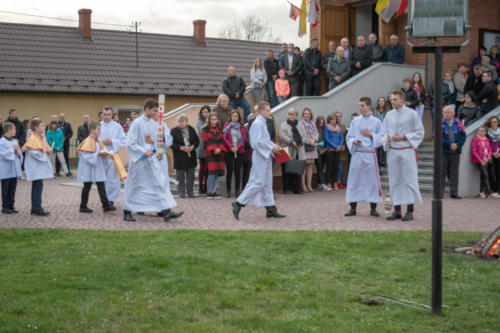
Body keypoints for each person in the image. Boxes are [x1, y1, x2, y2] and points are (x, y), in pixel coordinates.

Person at [123, 99, 183, 222]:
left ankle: (166, 211)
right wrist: (143, 151)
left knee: (158, 184)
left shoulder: (151, 123)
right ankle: (127, 212)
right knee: (135, 186)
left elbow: (152, 140)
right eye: (155, 110)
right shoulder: (137, 123)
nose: (156, 113)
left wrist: (151, 145)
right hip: (139, 160)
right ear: (147, 109)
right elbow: (130, 143)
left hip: (150, 159)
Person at [232, 102, 285, 220]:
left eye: (269, 110)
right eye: (267, 110)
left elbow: (265, 140)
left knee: (267, 183)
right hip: (260, 156)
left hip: (265, 156)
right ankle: (239, 202)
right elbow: (255, 143)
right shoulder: (257, 124)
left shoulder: (263, 123)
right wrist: (271, 148)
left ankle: (271, 209)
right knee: (258, 183)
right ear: (260, 111)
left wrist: (274, 147)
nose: (269, 112)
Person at [381, 90, 424, 221]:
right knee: (394, 180)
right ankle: (397, 210)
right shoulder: (389, 114)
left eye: (394, 99)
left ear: (402, 100)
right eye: (391, 99)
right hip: (393, 151)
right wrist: (386, 138)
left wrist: (405, 137)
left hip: (406, 150)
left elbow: (420, 132)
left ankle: (410, 211)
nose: (392, 101)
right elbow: (383, 131)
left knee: (408, 180)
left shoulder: (412, 114)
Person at [344, 97, 383, 217]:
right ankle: (352, 207)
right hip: (358, 154)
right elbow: (349, 137)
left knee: (372, 182)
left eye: (362, 105)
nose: (360, 108)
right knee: (354, 180)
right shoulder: (355, 122)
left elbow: (381, 138)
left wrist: (371, 134)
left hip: (370, 154)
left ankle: (373, 208)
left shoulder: (376, 122)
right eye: (359, 105)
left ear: (369, 106)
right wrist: (354, 141)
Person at [76, 121, 116, 213]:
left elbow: (101, 152)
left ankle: (106, 205)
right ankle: (83, 206)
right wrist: (98, 154)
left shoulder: (98, 141)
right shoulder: (87, 141)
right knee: (87, 186)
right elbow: (86, 156)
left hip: (97, 167)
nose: (100, 131)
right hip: (89, 168)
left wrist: (104, 154)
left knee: (101, 185)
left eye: (100, 129)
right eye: (98, 129)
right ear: (92, 130)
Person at [22, 119, 53, 216]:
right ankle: (36, 208)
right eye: (41, 126)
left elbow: (43, 149)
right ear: (35, 127)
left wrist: (47, 149)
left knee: (38, 187)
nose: (43, 128)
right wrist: (46, 152)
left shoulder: (39, 138)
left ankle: (36, 207)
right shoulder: (33, 139)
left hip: (38, 168)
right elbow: (35, 153)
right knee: (37, 187)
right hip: (35, 168)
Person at [99, 107, 126, 206]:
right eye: (105, 114)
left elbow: (123, 140)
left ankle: (110, 200)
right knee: (102, 179)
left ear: (112, 115)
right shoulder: (98, 126)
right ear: (102, 115)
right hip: (101, 156)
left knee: (112, 179)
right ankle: (104, 200)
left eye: (109, 114)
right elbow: (93, 140)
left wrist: (112, 141)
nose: (106, 117)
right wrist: (101, 145)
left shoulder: (117, 127)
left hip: (112, 155)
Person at [170, 114, 199, 198]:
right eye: (179, 121)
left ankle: (190, 191)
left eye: (183, 121)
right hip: (180, 156)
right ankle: (181, 192)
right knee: (180, 176)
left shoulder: (191, 129)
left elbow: (197, 141)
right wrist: (180, 147)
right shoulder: (174, 131)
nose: (181, 123)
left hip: (191, 156)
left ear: (186, 122)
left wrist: (192, 146)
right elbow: (171, 143)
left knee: (191, 176)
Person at [441, 106, 466, 199]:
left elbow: (463, 136)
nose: (446, 114)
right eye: (444, 112)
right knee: (441, 173)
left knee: (454, 173)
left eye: (448, 112)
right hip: (444, 151)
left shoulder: (458, 123)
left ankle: (454, 192)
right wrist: (450, 144)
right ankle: (440, 192)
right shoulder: (440, 123)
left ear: (453, 113)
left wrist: (457, 145)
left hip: (456, 151)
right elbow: (438, 137)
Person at [280, 108, 306, 194]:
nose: (291, 116)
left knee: (297, 170)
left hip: (298, 150)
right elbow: (282, 136)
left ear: (296, 116)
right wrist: (291, 142)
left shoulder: (300, 125)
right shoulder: (283, 125)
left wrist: (300, 142)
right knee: (286, 170)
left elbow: (304, 136)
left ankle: (297, 189)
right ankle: (287, 189)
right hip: (287, 150)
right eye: (290, 114)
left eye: (293, 114)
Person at [202, 112, 227, 199]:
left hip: (219, 154)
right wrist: (214, 148)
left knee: (217, 174)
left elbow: (222, 141)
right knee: (211, 174)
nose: (214, 121)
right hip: (210, 154)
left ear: (217, 120)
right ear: (209, 120)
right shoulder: (205, 130)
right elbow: (206, 142)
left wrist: (220, 149)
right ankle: (209, 192)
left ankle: (214, 191)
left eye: (215, 119)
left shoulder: (220, 130)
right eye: (212, 119)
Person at [0, 122, 23, 214]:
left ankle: (11, 205)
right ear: (9, 130)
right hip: (5, 169)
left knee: (12, 188)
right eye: (14, 129)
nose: (15, 131)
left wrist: (18, 153)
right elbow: (4, 154)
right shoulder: (1, 141)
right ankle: (5, 206)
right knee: (6, 188)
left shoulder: (14, 141)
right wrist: (14, 150)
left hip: (14, 169)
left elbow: (19, 153)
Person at [223, 110, 247, 198]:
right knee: (229, 171)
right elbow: (224, 137)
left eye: (236, 116)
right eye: (233, 116)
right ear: (230, 117)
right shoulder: (227, 126)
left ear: (238, 117)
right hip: (230, 151)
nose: (234, 117)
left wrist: (238, 147)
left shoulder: (241, 126)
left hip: (239, 151)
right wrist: (231, 147)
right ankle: (228, 190)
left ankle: (237, 190)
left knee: (237, 171)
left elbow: (243, 138)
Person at [471, 126, 497, 198]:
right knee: (485, 175)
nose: (480, 132)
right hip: (478, 161)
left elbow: (489, 151)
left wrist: (487, 158)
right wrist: (481, 160)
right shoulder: (475, 140)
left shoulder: (487, 140)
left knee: (483, 176)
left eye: (482, 131)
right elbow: (474, 152)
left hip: (486, 161)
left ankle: (481, 192)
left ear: (485, 132)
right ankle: (489, 192)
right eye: (479, 131)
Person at [324, 113, 344, 191]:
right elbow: (326, 138)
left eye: (335, 119)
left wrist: (339, 146)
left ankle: (335, 182)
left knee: (336, 167)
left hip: (338, 150)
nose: (334, 121)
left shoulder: (339, 128)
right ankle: (329, 183)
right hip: (330, 150)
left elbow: (341, 138)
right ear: (329, 121)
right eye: (332, 120)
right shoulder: (327, 128)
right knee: (329, 167)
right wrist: (335, 146)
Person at [300, 108, 318, 192]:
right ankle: (303, 186)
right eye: (305, 113)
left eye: (308, 113)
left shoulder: (313, 123)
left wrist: (314, 140)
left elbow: (316, 133)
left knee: (310, 166)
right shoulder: (300, 123)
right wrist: (308, 141)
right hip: (304, 147)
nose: (307, 115)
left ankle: (309, 186)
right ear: (303, 115)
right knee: (303, 167)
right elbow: (300, 135)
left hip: (312, 146)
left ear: (310, 115)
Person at [196, 105, 210, 194]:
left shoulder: (211, 119)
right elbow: (203, 131)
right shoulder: (199, 121)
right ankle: (201, 186)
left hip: (210, 146)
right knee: (202, 167)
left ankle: (206, 185)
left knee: (208, 168)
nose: (205, 114)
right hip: (202, 146)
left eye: (206, 112)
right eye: (203, 112)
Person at [486, 116, 500, 195]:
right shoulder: (487, 133)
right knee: (491, 173)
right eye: (492, 122)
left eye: (495, 122)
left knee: (499, 173)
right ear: (490, 123)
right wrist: (492, 153)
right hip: (490, 156)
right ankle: (490, 189)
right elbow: (486, 145)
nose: (494, 123)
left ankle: (497, 190)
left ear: (498, 123)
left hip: (499, 155)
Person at [315, 115, 329, 191]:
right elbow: (315, 142)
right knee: (319, 168)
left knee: (322, 168)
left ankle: (319, 184)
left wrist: (325, 149)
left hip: (325, 151)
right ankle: (322, 184)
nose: (321, 123)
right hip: (318, 152)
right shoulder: (316, 130)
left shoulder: (325, 129)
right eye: (320, 121)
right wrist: (320, 151)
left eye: (322, 121)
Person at [374, 97, 388, 167]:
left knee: (384, 147)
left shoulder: (387, 111)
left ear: (384, 102)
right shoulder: (375, 110)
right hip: (377, 131)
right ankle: (379, 163)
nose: (381, 102)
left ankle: (384, 162)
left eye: (382, 101)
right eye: (379, 101)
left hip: (385, 132)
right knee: (379, 147)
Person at [336, 112, 348, 189]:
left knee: (341, 166)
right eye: (337, 116)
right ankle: (337, 181)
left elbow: (345, 137)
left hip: (342, 148)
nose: (339, 118)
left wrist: (344, 145)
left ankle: (340, 181)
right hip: (335, 147)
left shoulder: (343, 126)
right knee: (338, 166)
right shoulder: (333, 126)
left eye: (340, 116)